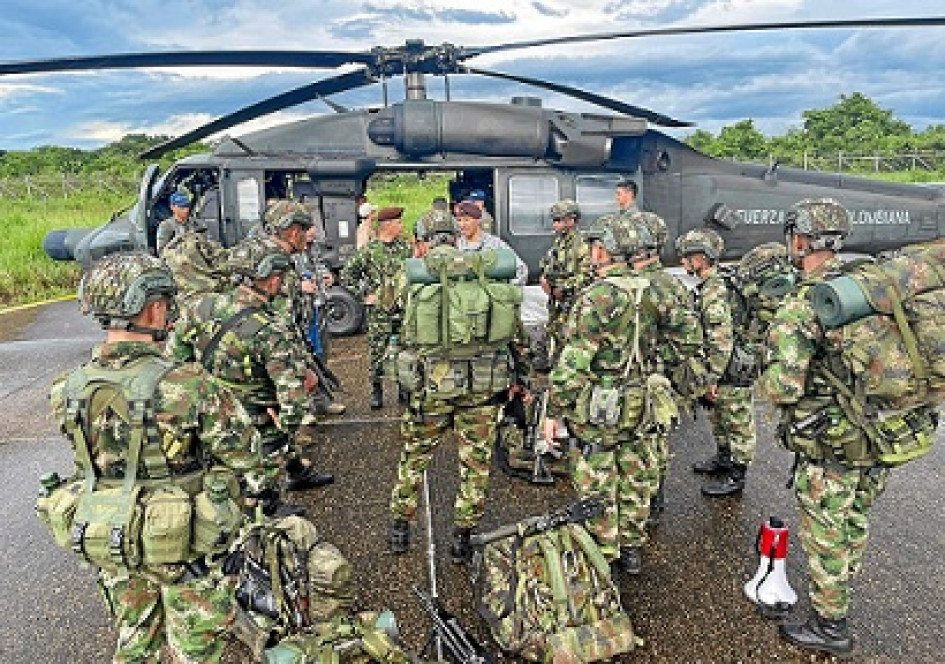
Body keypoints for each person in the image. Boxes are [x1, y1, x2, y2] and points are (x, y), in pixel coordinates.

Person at [48, 252, 262, 663]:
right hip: (185, 544)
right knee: (196, 649)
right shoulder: (187, 383)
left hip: (114, 538)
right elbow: (246, 453)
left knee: (134, 643)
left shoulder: (66, 389)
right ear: (152, 306)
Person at [759, 198, 939, 657]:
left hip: (833, 444)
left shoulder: (806, 303)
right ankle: (839, 590)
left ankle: (830, 624)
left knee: (825, 531)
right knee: (854, 518)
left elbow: (782, 387)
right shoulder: (870, 284)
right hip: (883, 434)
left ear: (799, 240)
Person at [544, 214, 704, 575]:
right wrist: (653, 367)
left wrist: (553, 413)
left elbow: (572, 366)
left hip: (599, 406)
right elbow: (689, 341)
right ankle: (632, 548)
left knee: (598, 474)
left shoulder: (596, 297)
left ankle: (605, 555)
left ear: (604, 250)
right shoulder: (658, 289)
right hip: (641, 400)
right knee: (635, 471)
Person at [388, 211, 529, 563]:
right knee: (476, 465)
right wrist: (521, 378)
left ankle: (399, 531)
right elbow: (516, 335)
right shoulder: (484, 271)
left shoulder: (412, 276)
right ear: (455, 236)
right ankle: (462, 539)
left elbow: (387, 313)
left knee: (414, 459)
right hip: (482, 389)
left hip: (431, 391)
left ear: (423, 239)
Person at [168, 239, 333, 517]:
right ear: (270, 281)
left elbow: (176, 358)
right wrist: (288, 424)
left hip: (214, 409)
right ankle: (267, 502)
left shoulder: (202, 307)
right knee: (272, 446)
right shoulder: (270, 329)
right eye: (279, 278)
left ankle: (295, 472)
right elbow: (292, 395)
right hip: (259, 415)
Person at [675, 228, 758, 497]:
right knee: (720, 418)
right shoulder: (712, 285)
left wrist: (711, 378)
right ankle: (724, 458)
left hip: (730, 371)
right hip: (724, 368)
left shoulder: (714, 292)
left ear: (700, 258)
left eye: (686, 257)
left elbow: (721, 341)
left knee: (737, 422)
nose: (683, 262)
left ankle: (738, 474)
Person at [341, 206, 413, 409]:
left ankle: (403, 389)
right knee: (377, 353)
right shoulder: (370, 251)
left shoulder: (405, 248)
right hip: (379, 313)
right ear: (388, 225)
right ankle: (376, 391)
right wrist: (364, 296)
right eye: (398, 222)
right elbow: (348, 275)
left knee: (404, 351)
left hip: (402, 310)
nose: (401, 226)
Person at [538, 199, 593, 364]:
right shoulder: (559, 243)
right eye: (554, 221)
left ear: (571, 220)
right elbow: (547, 264)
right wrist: (545, 279)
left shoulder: (581, 244)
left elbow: (588, 275)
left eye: (558, 220)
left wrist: (563, 288)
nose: (555, 225)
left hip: (573, 302)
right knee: (554, 334)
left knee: (570, 339)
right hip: (558, 301)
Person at [455, 202, 528, 286]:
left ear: (478, 220)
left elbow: (521, 269)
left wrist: (506, 290)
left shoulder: (495, 244)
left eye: (467, 220)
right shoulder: (455, 246)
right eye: (459, 220)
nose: (462, 225)